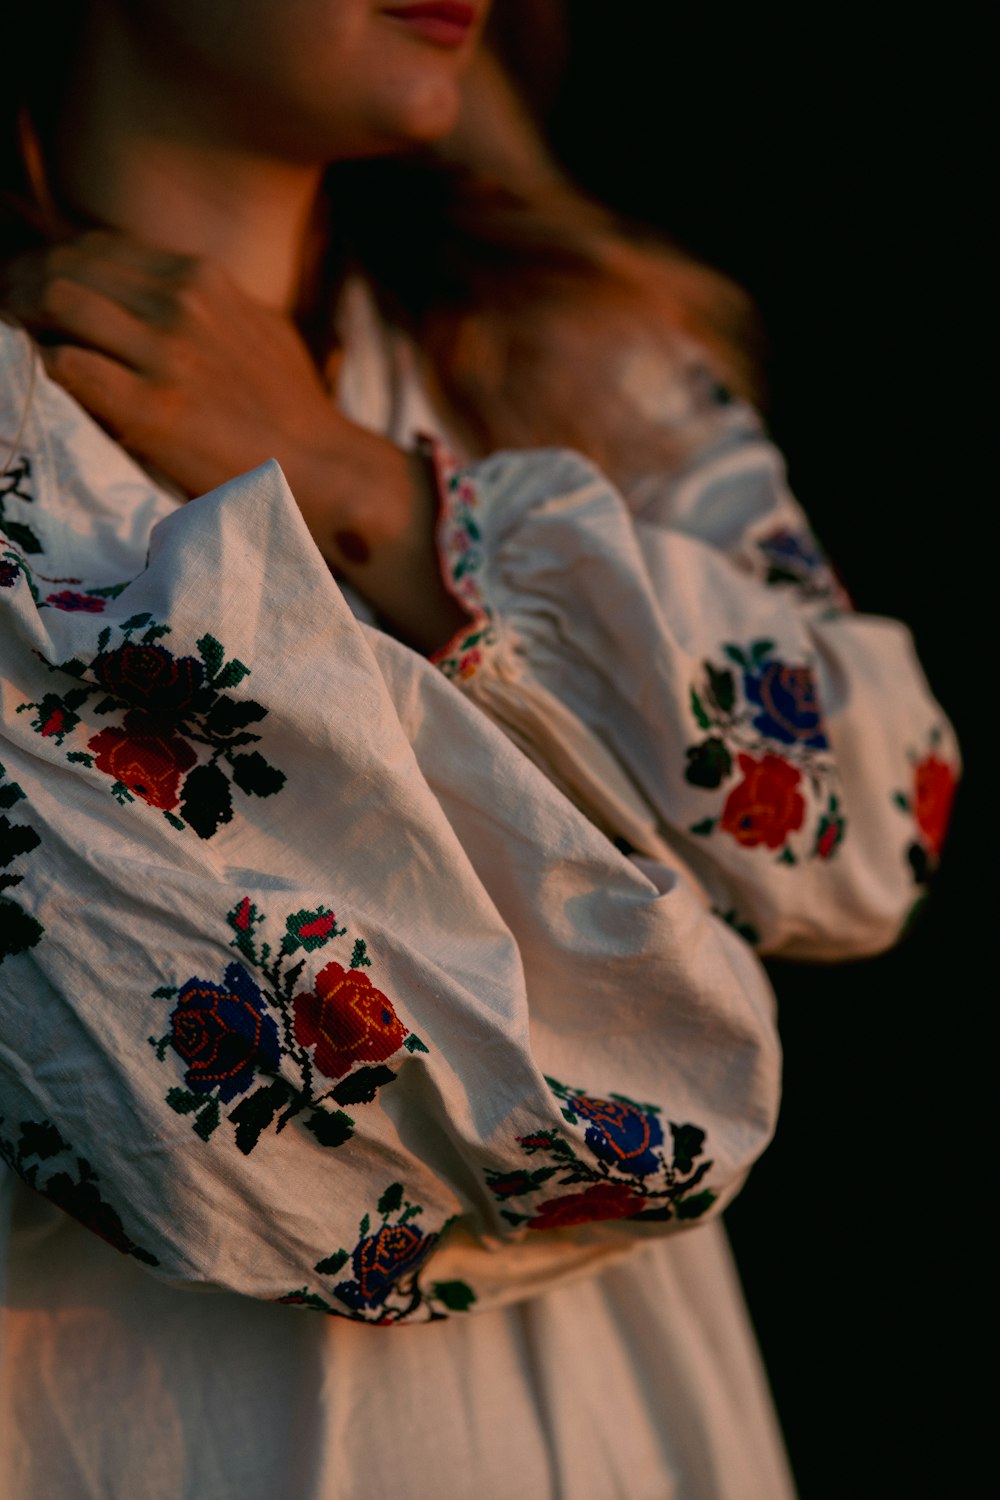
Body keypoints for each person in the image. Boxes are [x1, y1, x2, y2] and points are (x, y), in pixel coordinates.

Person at [0, 4, 958, 1498]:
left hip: (619, 1436)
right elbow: (615, 1104)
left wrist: (358, 482)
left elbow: (880, 810)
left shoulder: (571, 357)